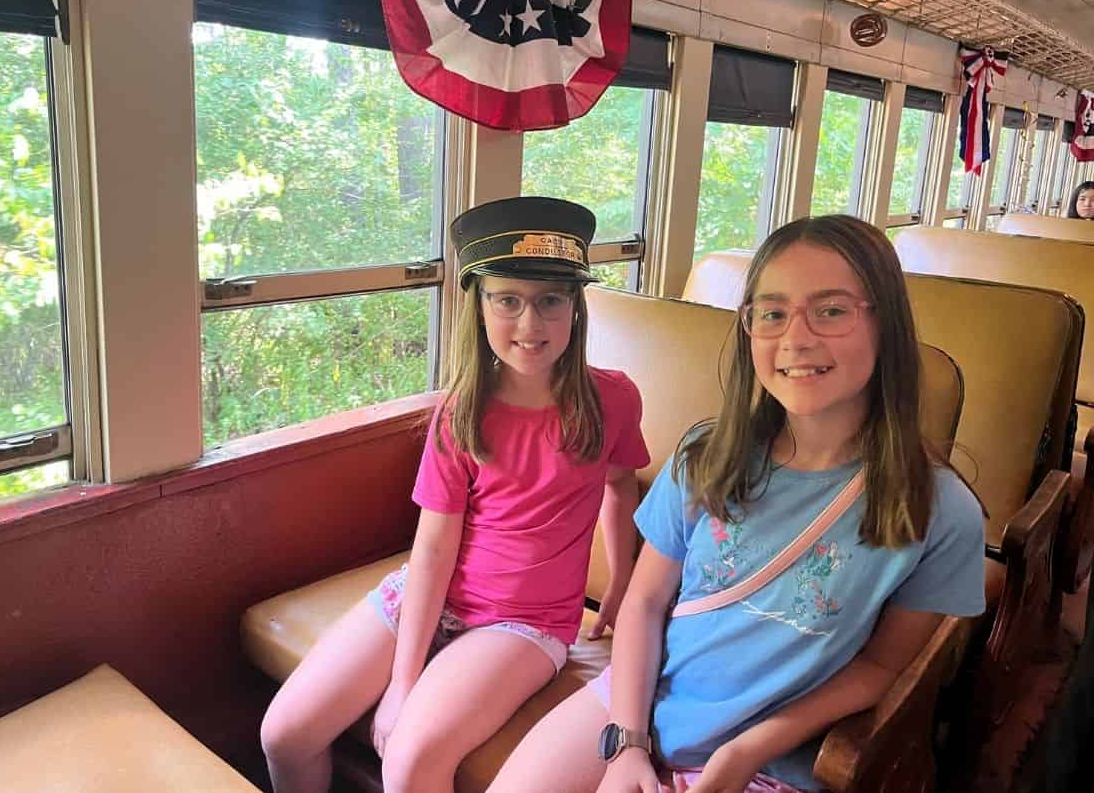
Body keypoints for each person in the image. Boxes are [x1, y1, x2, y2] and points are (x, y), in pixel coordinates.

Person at [489, 214, 986, 793]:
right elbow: (645, 601)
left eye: (831, 311)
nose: (796, 339)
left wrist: (748, 749)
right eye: (771, 314)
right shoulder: (708, 455)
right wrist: (627, 741)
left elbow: (883, 667)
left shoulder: (939, 509)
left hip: (777, 759)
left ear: (886, 323)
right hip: (637, 704)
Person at [260, 196, 650, 793]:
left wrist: (621, 580)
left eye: (550, 300)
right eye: (507, 300)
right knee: (284, 734)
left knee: (409, 764)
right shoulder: (461, 412)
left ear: (575, 306)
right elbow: (434, 549)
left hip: (526, 623)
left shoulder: (613, 400)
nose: (530, 324)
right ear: (480, 306)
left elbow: (620, 488)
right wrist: (403, 679)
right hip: (434, 596)